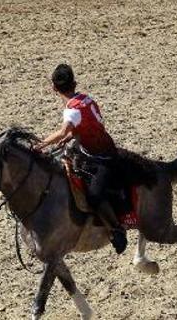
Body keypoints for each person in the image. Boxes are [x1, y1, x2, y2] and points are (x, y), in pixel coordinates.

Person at [33, 64, 127, 254]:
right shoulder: (86, 99)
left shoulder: (71, 110)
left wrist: (40, 145)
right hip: (97, 149)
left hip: (101, 158)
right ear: (74, 83)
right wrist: (71, 137)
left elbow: (62, 132)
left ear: (53, 88)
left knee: (94, 196)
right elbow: (87, 125)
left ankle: (116, 230)